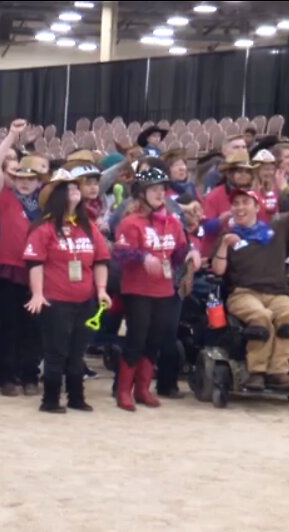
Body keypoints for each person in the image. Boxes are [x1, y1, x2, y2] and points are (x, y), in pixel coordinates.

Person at [22, 170, 112, 414]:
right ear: (59, 196)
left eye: (76, 188)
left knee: (77, 351)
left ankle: (76, 397)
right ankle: (50, 399)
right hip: (56, 300)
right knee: (56, 351)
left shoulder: (89, 227)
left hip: (85, 299)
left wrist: (101, 290)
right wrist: (37, 293)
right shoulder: (44, 228)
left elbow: (101, 260)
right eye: (70, 189)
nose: (76, 192)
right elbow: (35, 263)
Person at [113, 166, 202, 412]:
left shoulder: (172, 222)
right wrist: (142, 258)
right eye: (154, 189)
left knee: (155, 339)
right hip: (137, 289)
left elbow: (179, 251)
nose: (160, 193)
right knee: (136, 338)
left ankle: (142, 389)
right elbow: (121, 252)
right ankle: (123, 391)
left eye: (162, 189)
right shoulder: (131, 222)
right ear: (141, 193)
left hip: (164, 288)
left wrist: (191, 253)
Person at [211, 187, 289, 390]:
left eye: (245, 203)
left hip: (277, 293)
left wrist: (285, 188)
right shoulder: (228, 236)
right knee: (261, 316)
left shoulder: (276, 228)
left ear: (257, 207)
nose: (240, 208)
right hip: (243, 293)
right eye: (236, 204)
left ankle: (278, 372)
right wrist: (223, 245)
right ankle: (256, 372)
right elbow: (218, 270)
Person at [0, 119, 48, 397]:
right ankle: (6, 376)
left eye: (30, 179)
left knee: (33, 328)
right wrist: (13, 134)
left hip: (38, 272)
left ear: (38, 182)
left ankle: (30, 375)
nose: (25, 183)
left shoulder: (46, 205)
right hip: (8, 271)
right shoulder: (5, 196)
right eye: (21, 178)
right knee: (9, 326)